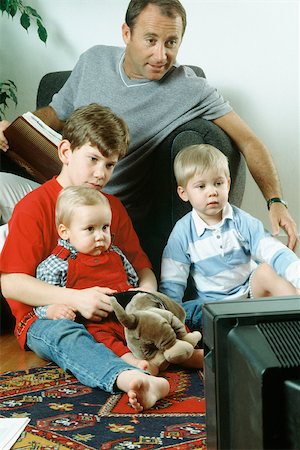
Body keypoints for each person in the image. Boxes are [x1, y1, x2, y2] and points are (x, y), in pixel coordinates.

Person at [0, 0, 297, 252]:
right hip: (51, 185)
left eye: (171, 43)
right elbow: (55, 112)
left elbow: (249, 141)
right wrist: (12, 129)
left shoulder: (191, 90)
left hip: (95, 209)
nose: (161, 55)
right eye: (151, 40)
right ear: (126, 33)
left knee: (12, 239)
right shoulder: (94, 59)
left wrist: (276, 201)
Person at [0, 103, 170, 412]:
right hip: (47, 317)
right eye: (93, 159)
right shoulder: (34, 206)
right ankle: (130, 378)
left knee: (182, 309)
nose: (100, 173)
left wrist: (146, 295)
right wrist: (77, 299)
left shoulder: (112, 208)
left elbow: (142, 268)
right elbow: (11, 283)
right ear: (65, 151)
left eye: (110, 164)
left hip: (114, 309)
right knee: (69, 337)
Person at [34, 185, 202, 374]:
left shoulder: (116, 253)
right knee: (100, 339)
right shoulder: (56, 264)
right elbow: (42, 300)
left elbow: (132, 279)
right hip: (97, 321)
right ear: (65, 232)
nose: (100, 236)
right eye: (90, 229)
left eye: (105, 227)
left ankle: (187, 349)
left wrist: (137, 292)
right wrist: (52, 310)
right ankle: (135, 363)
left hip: (128, 311)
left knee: (161, 315)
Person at [159, 144, 300, 331]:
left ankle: (295, 318)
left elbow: (275, 251)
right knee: (187, 311)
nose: (212, 192)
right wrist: (172, 321)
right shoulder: (182, 233)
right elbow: (172, 283)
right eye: (201, 186)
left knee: (268, 270)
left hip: (250, 293)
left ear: (228, 183)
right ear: (184, 193)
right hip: (214, 307)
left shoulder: (242, 221)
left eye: (218, 183)